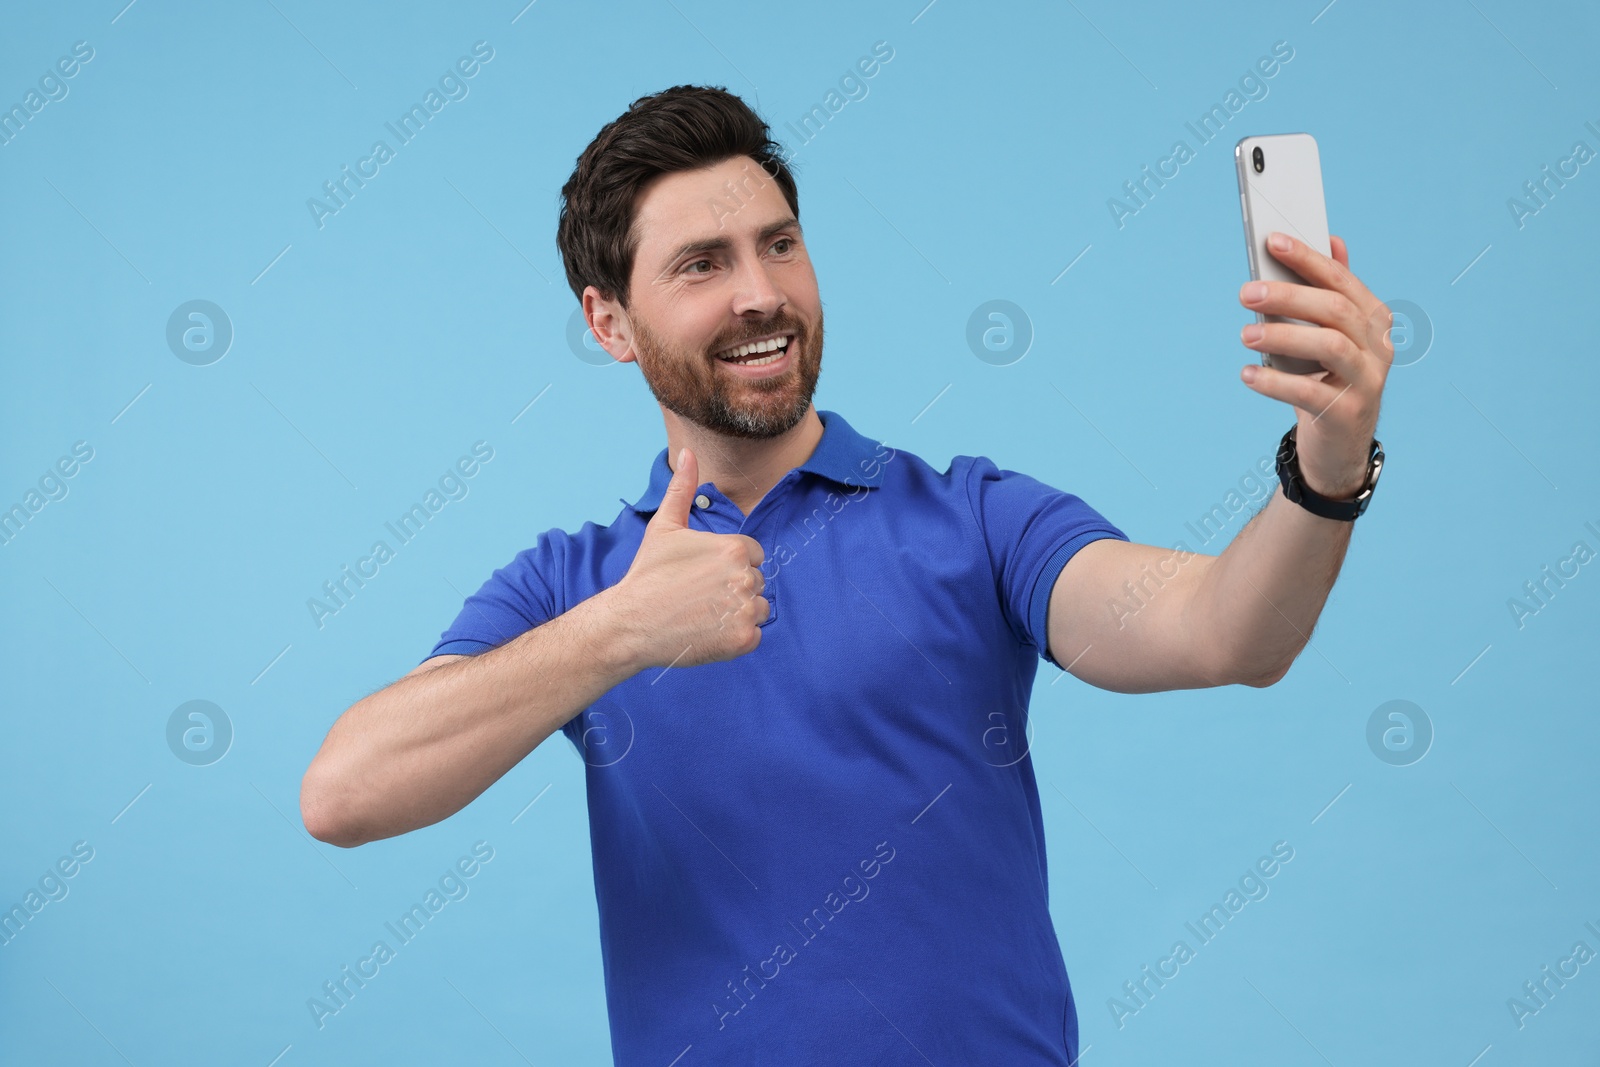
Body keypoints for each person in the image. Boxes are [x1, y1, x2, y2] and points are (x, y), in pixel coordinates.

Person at [300, 85, 1394, 1065]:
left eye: (779, 245)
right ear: (609, 321)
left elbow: (1226, 633)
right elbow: (344, 793)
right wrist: (620, 630)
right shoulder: (576, 584)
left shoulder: (973, 517)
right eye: (701, 264)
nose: (759, 293)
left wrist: (1327, 465)